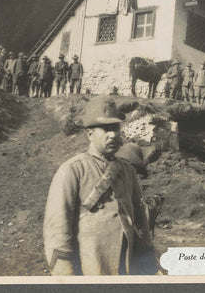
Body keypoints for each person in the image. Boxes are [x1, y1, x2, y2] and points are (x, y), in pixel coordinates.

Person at [43, 97, 155, 275]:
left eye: (116, 129)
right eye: (106, 129)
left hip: (128, 268)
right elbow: (57, 232)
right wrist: (66, 277)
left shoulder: (128, 171)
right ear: (90, 134)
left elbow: (141, 223)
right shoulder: (72, 171)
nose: (113, 135)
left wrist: (149, 266)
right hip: (91, 269)